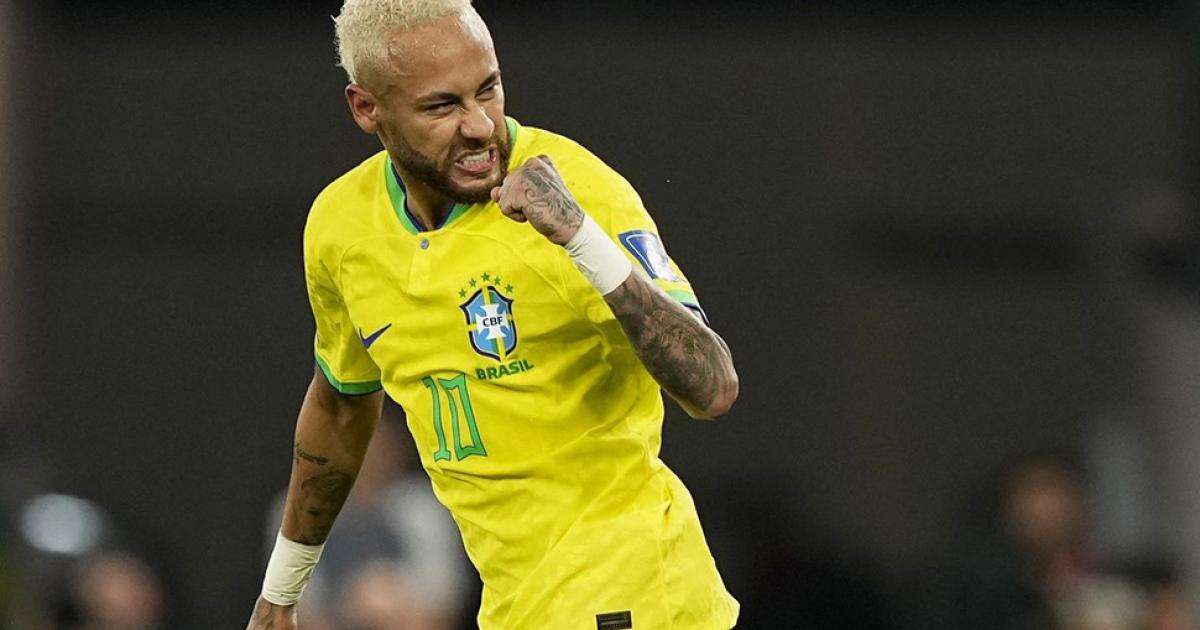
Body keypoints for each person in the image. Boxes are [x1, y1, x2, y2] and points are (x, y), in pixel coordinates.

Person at [246, 1, 740, 628]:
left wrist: (580, 236)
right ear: (367, 108)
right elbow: (342, 404)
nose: (481, 126)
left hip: (632, 592)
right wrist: (281, 593)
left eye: (489, 89)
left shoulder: (579, 189)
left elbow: (712, 386)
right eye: (442, 106)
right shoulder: (341, 227)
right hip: (513, 604)